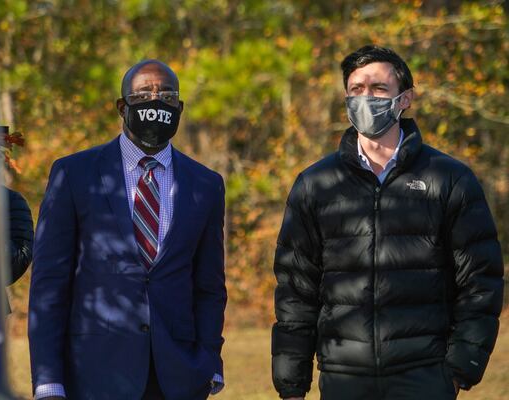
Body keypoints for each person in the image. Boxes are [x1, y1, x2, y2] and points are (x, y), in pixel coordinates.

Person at [271, 45, 504, 400]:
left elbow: (480, 280)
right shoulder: (316, 184)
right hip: (342, 377)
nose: (366, 98)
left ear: (405, 98)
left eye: (379, 88)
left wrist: (459, 369)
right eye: (356, 89)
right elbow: (296, 287)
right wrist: (291, 383)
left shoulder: (449, 178)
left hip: (424, 375)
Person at [28, 60, 227, 400]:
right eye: (143, 93)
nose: (155, 101)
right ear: (123, 107)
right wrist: (48, 380)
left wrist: (210, 360)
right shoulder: (75, 174)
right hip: (93, 374)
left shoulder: (205, 184)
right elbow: (49, 284)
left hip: (177, 376)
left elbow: (208, 285)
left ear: (179, 108)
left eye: (166, 94)